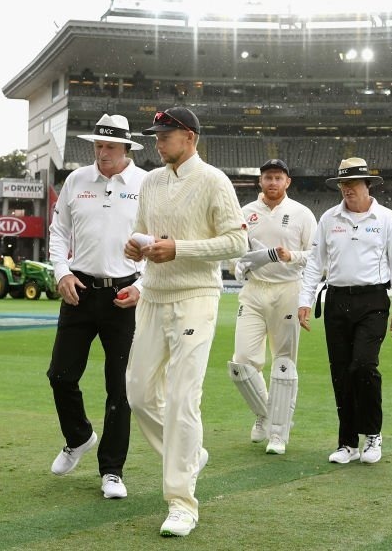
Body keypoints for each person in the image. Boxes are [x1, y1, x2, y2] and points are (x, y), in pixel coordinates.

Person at [123, 107, 247, 537]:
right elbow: (143, 231)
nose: (158, 143)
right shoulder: (151, 182)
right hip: (154, 296)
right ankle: (191, 455)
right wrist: (137, 250)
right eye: (156, 136)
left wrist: (180, 250)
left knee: (181, 396)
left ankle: (181, 501)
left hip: (196, 297)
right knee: (138, 393)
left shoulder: (214, 181)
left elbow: (237, 240)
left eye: (166, 135)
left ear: (189, 137)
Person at [46, 114, 148, 500]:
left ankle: (112, 471)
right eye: (97, 146)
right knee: (60, 375)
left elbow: (159, 241)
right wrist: (61, 273)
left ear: (126, 149)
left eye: (109, 147)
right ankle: (79, 437)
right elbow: (58, 233)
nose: (102, 153)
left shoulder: (145, 184)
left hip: (125, 295)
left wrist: (143, 284)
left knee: (119, 388)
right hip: (79, 290)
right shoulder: (76, 180)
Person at [298, 157, 392, 466]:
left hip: (372, 301)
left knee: (363, 366)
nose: (347, 190)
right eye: (343, 185)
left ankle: (372, 434)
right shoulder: (329, 219)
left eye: (353, 184)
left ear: (367, 185)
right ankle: (347, 443)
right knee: (341, 374)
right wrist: (304, 301)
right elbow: (314, 264)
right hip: (335, 301)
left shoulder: (387, 219)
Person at [228, 158, 316, 455]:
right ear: (260, 181)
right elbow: (235, 251)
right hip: (254, 290)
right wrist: (237, 268)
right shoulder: (246, 213)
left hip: (288, 288)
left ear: (287, 182)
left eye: (278, 178)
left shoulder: (301, 214)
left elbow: (317, 256)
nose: (273, 183)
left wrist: (292, 256)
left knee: (283, 363)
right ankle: (266, 413)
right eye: (268, 177)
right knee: (241, 363)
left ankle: (279, 432)